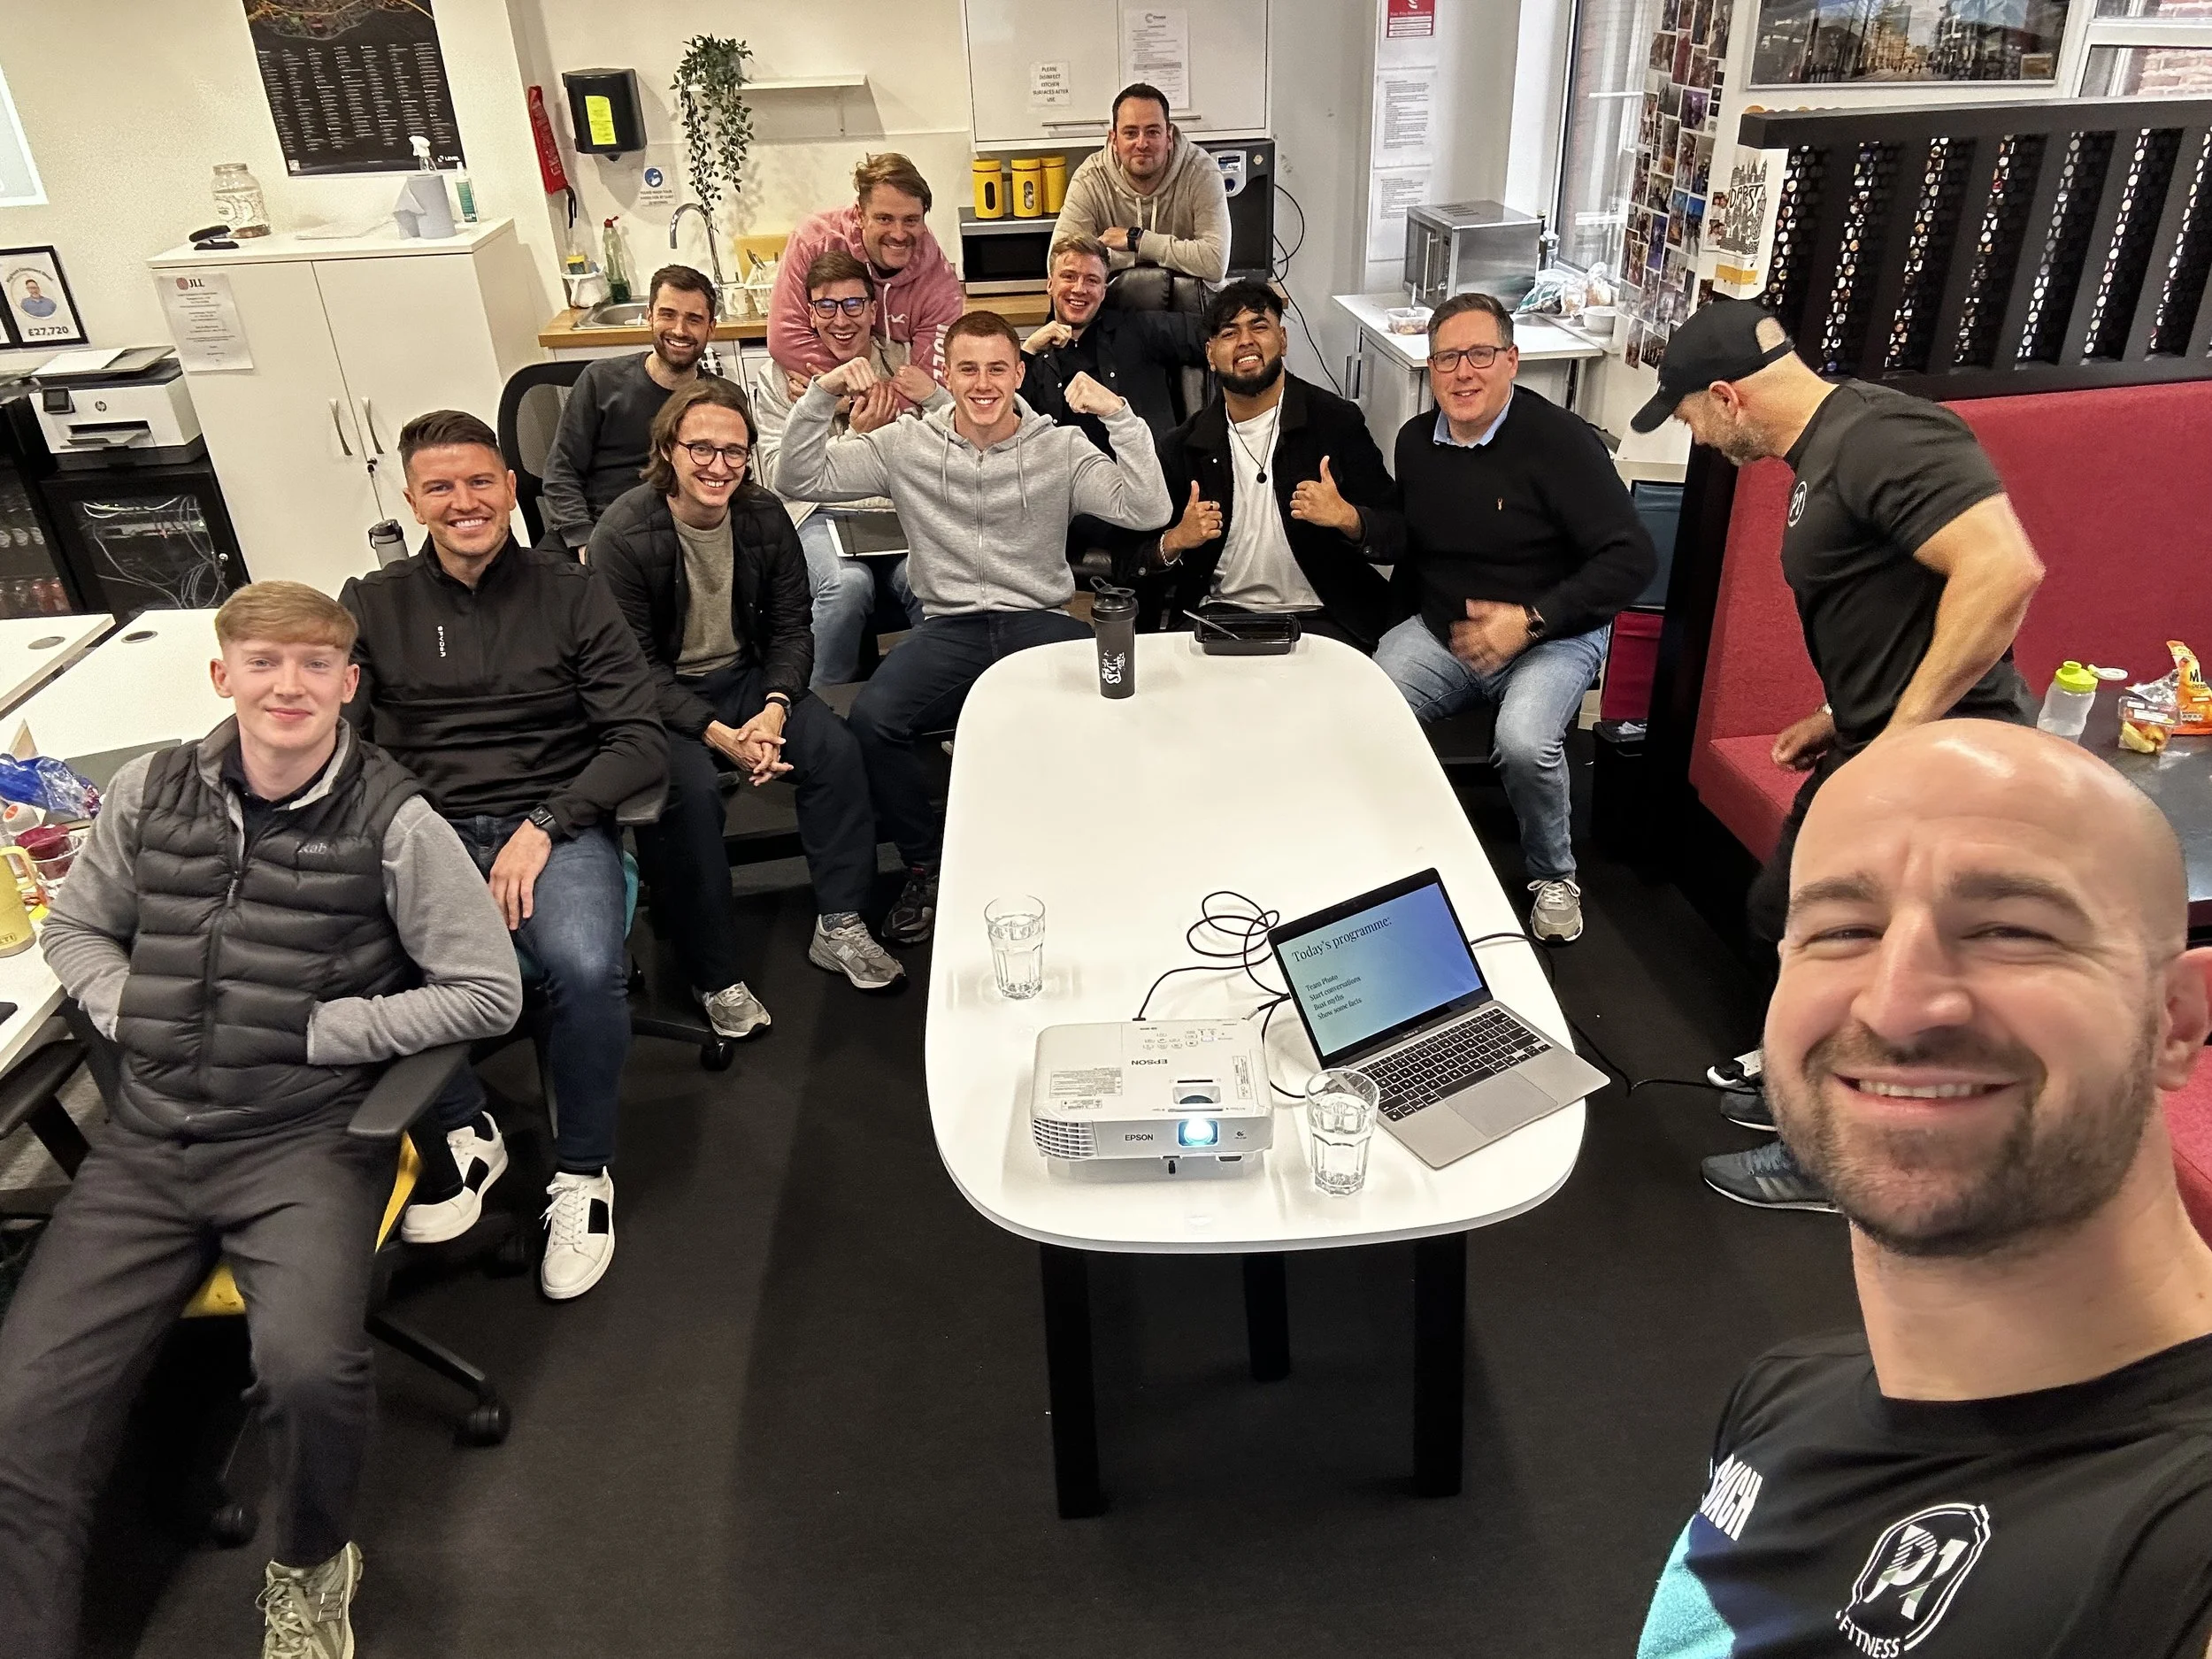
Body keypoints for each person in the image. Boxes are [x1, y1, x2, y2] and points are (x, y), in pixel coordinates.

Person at [0, 582, 521, 1659]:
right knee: (19, 1414)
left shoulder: (395, 819)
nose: (289, 686)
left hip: (305, 1142)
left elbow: (485, 990)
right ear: (222, 675)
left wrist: (322, 1031)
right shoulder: (149, 791)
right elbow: (79, 931)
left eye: (314, 666)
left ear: (347, 683)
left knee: (306, 1371)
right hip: (148, 1142)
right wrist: (129, 1005)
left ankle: (313, 1567)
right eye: (265, 664)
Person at [1637, 721, 2212, 1658]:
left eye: (2010, 931)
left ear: (2176, 1022)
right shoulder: (1786, 1394)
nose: (1897, 1005)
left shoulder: (2177, 1539)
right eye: (1842, 931)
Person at [1635, 300, 2045, 1210]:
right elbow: (1895, 600)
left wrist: (1903, 733)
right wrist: (1838, 712)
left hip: (1946, 757)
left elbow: (2002, 571)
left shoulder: (1886, 436)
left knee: (1859, 956)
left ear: (1726, 397)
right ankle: (1802, 1096)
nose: (1696, 439)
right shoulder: (1824, 451)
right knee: (1783, 914)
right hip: (1875, 743)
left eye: (1689, 417)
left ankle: (1834, 1162)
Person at [342, 410, 667, 1302]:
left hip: (551, 823)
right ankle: (464, 1126)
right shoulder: (373, 606)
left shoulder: (571, 591)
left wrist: (547, 823)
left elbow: (639, 740)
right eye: (439, 487)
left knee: (586, 966)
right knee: (365, 954)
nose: (463, 502)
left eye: (479, 481)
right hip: (428, 827)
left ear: (509, 487)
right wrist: (413, 832)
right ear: (412, 500)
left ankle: (583, 1177)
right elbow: (343, 745)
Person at [777, 310, 1172, 944]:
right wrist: (822, 397)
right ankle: (927, 865)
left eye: (997, 368)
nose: (983, 383)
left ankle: (1099, 846)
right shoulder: (906, 444)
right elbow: (797, 476)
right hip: (951, 627)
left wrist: (1118, 415)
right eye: (968, 369)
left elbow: (1148, 506)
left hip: (1039, 621)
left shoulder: (1060, 446)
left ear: (1019, 372)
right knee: (875, 719)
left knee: (1128, 689)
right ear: (948, 375)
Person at [593, 377, 905, 1010]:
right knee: (692, 793)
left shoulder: (763, 516)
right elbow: (632, 668)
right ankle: (712, 969)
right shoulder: (622, 535)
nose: (718, 465)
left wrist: (774, 707)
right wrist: (717, 736)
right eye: (701, 449)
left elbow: (792, 627)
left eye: (733, 451)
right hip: (660, 697)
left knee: (836, 752)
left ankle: (840, 922)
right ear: (669, 450)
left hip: (746, 681)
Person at [1368, 291, 1657, 946]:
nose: (1463, 372)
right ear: (1430, 367)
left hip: (1554, 635)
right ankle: (1399, 852)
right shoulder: (1415, 443)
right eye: (1447, 358)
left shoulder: (1560, 442)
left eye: (1480, 354)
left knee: (1524, 742)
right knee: (1366, 707)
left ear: (1512, 361)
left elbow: (1633, 559)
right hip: (1449, 631)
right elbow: (1413, 542)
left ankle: (1554, 874)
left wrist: (1528, 621)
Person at [1138, 279, 1394, 650]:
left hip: (1321, 618)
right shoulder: (1182, 446)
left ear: (1283, 339)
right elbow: (1135, 560)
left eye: (1259, 326)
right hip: (1218, 617)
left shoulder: (1336, 422)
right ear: (1210, 354)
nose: (1245, 341)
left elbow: (1397, 532)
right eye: (1229, 332)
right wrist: (1176, 540)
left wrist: (1349, 518)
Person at [749, 249, 933, 686]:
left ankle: (925, 694)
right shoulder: (782, 375)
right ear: (810, 314)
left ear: (873, 310)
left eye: (853, 304)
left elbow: (930, 451)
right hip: (816, 515)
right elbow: (779, 475)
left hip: (894, 514)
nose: (841, 319)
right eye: (826, 306)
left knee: (926, 581)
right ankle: (812, 707)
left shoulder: (905, 362)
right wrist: (857, 435)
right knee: (846, 587)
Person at [539, 263, 718, 552]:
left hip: (675, 540)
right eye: (667, 315)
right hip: (598, 528)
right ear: (649, 317)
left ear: (711, 328)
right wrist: (584, 542)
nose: (679, 330)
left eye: (694, 319)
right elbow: (562, 472)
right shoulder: (601, 381)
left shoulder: (719, 401)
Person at [767, 153, 964, 391]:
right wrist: (829, 394)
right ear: (860, 215)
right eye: (884, 219)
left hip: (899, 414)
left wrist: (864, 401)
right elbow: (786, 339)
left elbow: (930, 382)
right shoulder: (812, 242)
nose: (899, 234)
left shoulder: (939, 284)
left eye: (911, 220)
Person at [1020, 235, 1209, 446]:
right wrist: (1027, 351)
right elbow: (1001, 420)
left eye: (1092, 280)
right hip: (1062, 474)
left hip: (1138, 471)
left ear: (1103, 292)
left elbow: (1216, 334)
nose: (1079, 289)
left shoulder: (1140, 329)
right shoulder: (1032, 358)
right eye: (1069, 277)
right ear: (1050, 284)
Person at [1050, 82, 1232, 282]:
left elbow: (1215, 262)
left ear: (1169, 137)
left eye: (1153, 132)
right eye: (1130, 133)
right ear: (1113, 139)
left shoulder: (1202, 172)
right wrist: (1160, 254)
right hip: (1113, 303)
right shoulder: (1090, 179)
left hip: (1191, 303)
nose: (1142, 143)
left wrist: (1136, 240)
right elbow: (1060, 262)